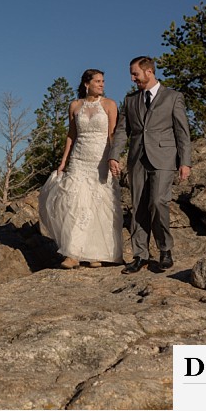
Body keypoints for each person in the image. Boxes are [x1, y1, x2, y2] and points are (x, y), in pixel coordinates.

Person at [108, 56, 191, 274]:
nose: (133, 78)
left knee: (158, 202)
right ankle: (140, 255)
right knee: (138, 208)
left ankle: (165, 249)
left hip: (164, 158)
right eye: (132, 74)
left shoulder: (173, 97)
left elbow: (182, 131)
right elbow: (121, 132)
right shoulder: (130, 100)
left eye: (135, 74)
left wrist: (185, 162)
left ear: (149, 72)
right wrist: (114, 156)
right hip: (137, 159)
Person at [38, 69, 124, 269]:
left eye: (103, 81)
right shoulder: (75, 105)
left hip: (100, 159)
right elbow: (71, 135)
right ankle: (73, 253)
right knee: (75, 203)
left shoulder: (110, 104)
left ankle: (97, 253)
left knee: (99, 204)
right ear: (87, 83)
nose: (102, 84)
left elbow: (113, 134)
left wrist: (114, 158)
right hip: (79, 158)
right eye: (98, 81)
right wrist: (63, 162)